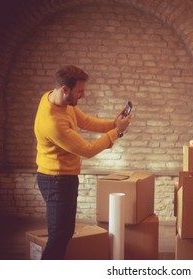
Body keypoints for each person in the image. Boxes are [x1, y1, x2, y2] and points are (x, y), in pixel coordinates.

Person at [34, 65, 132, 260]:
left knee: (65, 233)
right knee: (58, 237)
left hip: (65, 178)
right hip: (55, 180)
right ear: (65, 89)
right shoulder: (52, 122)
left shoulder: (59, 100)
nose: (83, 95)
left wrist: (114, 123)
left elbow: (86, 121)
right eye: (80, 91)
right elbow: (87, 150)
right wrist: (117, 132)